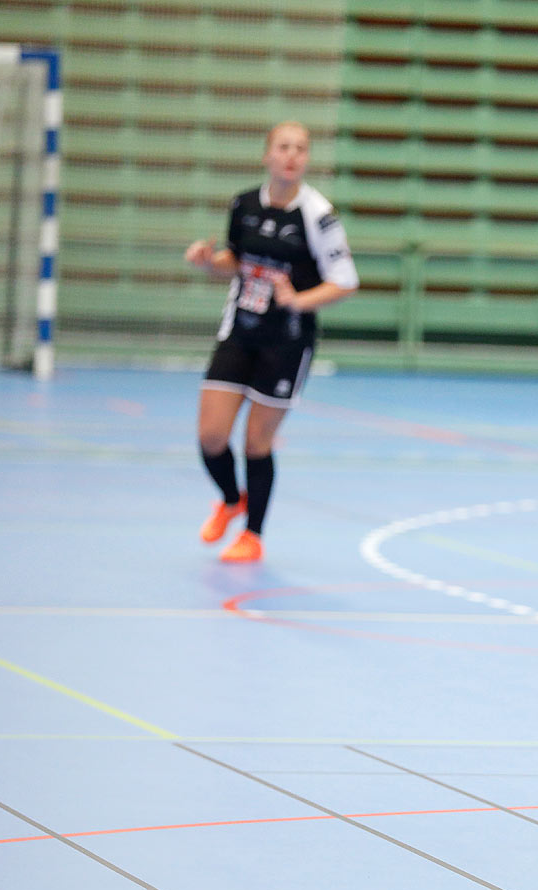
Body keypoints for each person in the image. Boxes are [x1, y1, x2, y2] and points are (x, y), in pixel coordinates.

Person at [184, 121, 358, 562]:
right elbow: (236, 260)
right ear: (267, 155)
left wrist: (298, 300)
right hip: (239, 332)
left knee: (257, 443)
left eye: (300, 148)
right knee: (210, 436)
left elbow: (345, 281)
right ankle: (229, 499)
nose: (292, 155)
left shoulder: (318, 215)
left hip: (287, 344)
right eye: (283, 147)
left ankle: (252, 536)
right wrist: (209, 263)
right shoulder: (242, 205)